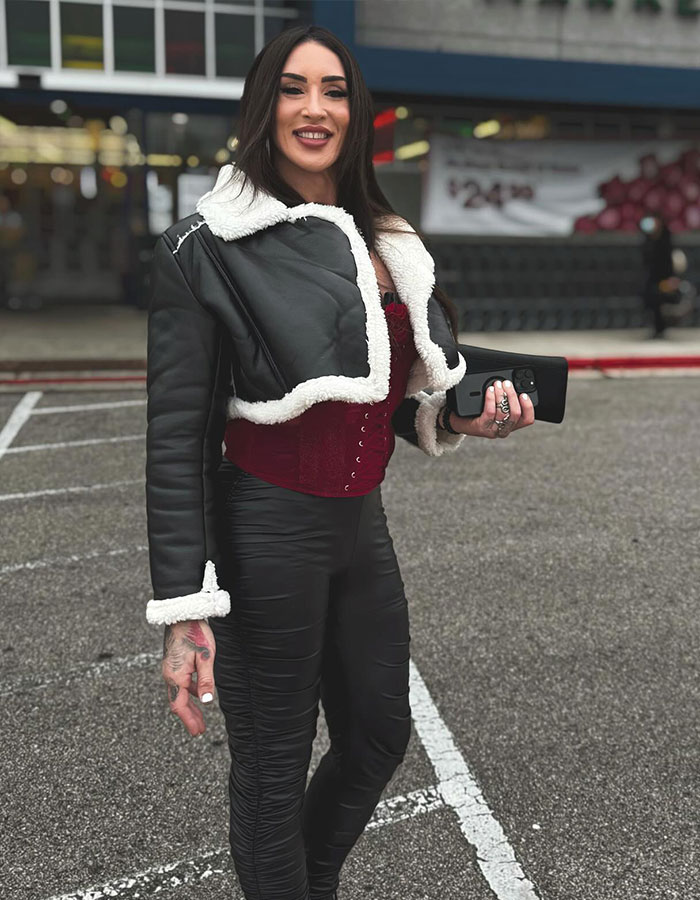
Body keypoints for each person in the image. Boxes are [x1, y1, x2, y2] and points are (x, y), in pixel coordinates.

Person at [145, 25, 535, 900]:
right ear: (262, 107)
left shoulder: (385, 236)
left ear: (358, 112)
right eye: (292, 88)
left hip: (362, 524)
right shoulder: (205, 245)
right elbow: (174, 437)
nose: (314, 108)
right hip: (265, 528)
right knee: (273, 772)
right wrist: (183, 611)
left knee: (376, 736)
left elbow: (373, 387)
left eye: (333, 90)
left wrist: (458, 417)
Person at [639, 214, 678, 339]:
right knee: (651, 302)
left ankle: (661, 328)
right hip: (652, 277)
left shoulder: (665, 238)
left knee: (662, 302)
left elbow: (669, 260)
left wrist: (671, 277)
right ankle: (655, 327)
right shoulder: (648, 239)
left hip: (665, 277)